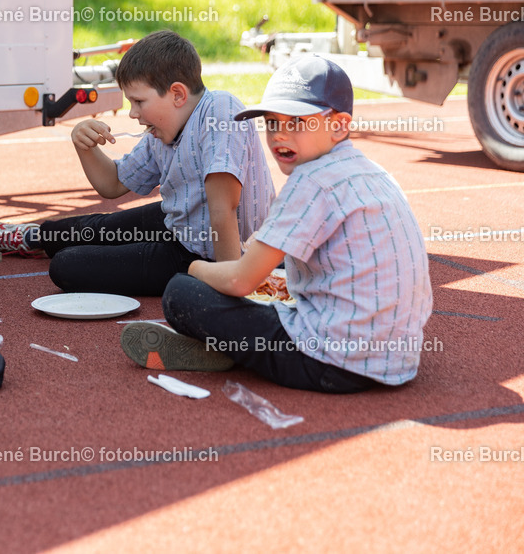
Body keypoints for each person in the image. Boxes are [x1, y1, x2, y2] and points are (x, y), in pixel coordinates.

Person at [120, 55, 432, 393]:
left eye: (296, 123)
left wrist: (195, 268)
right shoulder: (376, 173)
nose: (279, 136)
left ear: (340, 126)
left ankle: (225, 349)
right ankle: (227, 346)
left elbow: (240, 280)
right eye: (272, 123)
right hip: (398, 361)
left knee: (180, 292)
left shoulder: (310, 182)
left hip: (329, 363)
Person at [0, 30, 275, 296]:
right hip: (180, 226)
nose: (132, 114)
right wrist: (83, 145)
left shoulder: (220, 111)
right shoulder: (161, 133)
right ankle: (32, 237)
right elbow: (112, 184)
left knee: (68, 267)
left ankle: (48, 245)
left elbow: (223, 210)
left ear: (177, 94)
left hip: (207, 253)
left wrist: (230, 287)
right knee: (98, 227)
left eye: (138, 102)